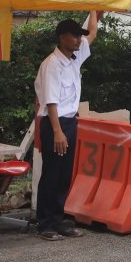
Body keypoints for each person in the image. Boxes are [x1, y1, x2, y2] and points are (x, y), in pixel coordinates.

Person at [33, 15, 98, 241]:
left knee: (64, 175)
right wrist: (58, 131)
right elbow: (50, 102)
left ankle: (58, 219)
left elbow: (93, 33)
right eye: (74, 36)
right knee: (52, 174)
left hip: (70, 121)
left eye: (79, 36)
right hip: (55, 123)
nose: (79, 40)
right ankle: (45, 224)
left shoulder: (74, 58)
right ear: (62, 38)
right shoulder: (52, 64)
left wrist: (94, 6)